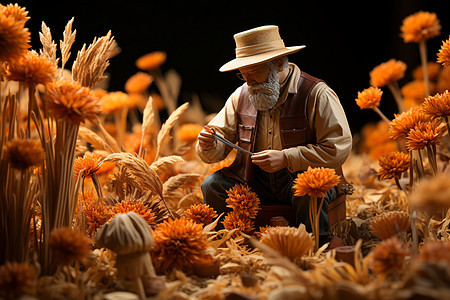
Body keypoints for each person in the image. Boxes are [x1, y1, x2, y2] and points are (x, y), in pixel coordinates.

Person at [196, 25, 352, 239]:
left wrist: (287, 157)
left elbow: (337, 149)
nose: (249, 82)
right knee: (212, 185)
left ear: (279, 63)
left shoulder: (316, 94)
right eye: (243, 75)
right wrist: (208, 144)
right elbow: (218, 141)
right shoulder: (241, 95)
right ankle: (229, 241)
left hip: (301, 176)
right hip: (253, 178)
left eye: (255, 72)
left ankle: (316, 244)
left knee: (312, 191)